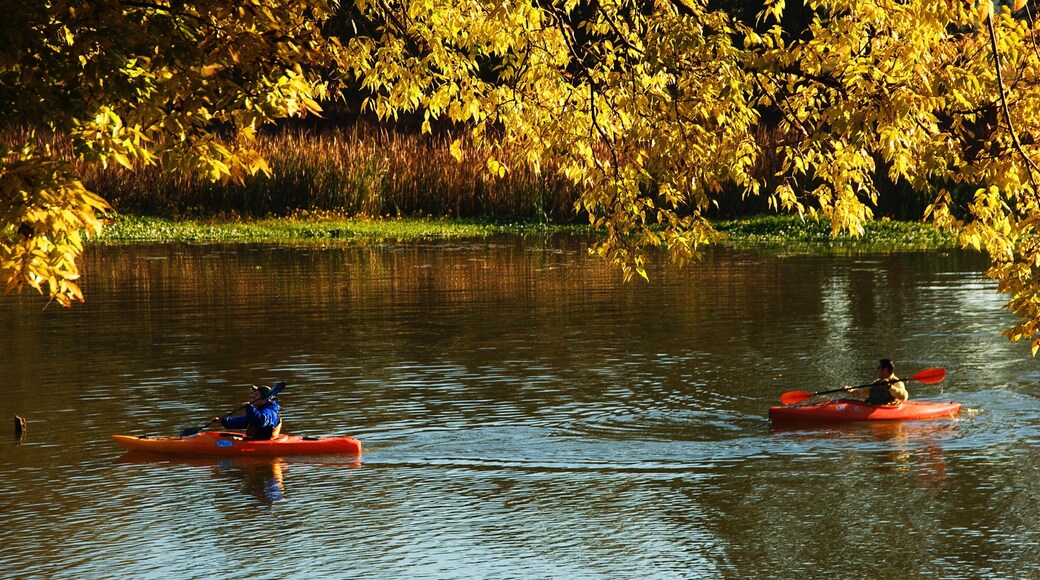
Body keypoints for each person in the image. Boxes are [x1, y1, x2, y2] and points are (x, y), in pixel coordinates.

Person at [214, 385, 282, 440]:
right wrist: (222, 421)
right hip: (256, 440)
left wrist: (250, 408)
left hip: (263, 444)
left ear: (264, 398)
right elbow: (243, 421)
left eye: (256, 395)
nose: (254, 397)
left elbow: (260, 421)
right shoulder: (261, 411)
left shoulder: (269, 412)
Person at [844, 359, 908, 405]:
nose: (877, 370)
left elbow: (904, 396)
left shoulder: (896, 382)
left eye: (878, 368)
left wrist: (889, 386)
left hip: (886, 407)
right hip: (871, 405)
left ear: (885, 370)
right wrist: (849, 390)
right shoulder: (877, 382)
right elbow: (863, 393)